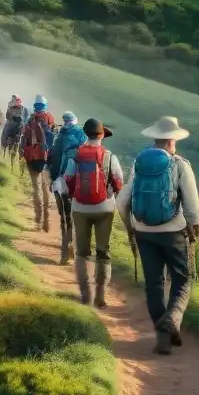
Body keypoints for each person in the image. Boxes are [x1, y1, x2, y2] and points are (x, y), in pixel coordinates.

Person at [117, 116, 199, 355]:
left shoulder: (138, 163)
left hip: (143, 231)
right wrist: (194, 227)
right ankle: (173, 319)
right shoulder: (180, 164)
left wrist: (131, 227)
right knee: (182, 280)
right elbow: (192, 205)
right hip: (173, 231)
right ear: (172, 140)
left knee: (154, 283)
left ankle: (162, 339)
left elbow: (122, 201)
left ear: (154, 137)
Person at [63, 118, 123, 307]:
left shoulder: (76, 154)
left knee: (81, 252)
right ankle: (100, 293)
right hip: (104, 207)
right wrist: (110, 192)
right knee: (103, 251)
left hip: (80, 207)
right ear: (102, 135)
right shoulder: (109, 156)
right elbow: (119, 181)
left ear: (85, 134)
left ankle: (85, 293)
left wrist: (74, 194)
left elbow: (68, 179)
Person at [48, 111, 87, 264]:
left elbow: (52, 160)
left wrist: (53, 179)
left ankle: (65, 253)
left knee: (65, 218)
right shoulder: (83, 136)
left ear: (64, 121)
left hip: (61, 183)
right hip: (81, 184)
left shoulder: (59, 136)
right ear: (75, 121)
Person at [21, 94, 55, 232]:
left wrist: (22, 151)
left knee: (36, 188)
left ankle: (38, 219)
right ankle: (47, 220)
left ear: (35, 106)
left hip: (31, 157)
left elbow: (24, 137)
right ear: (45, 106)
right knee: (46, 187)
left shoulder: (30, 119)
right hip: (46, 158)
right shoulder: (50, 118)